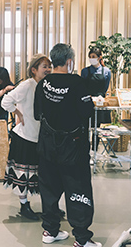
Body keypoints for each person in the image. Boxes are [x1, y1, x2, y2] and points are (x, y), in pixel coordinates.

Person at [34, 43, 101, 247]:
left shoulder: (42, 84)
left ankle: (50, 230)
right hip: (73, 147)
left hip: (47, 145)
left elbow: (37, 114)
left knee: (49, 188)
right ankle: (81, 238)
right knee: (77, 188)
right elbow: (87, 111)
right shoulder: (76, 83)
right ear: (70, 62)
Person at [2, 54, 52, 220]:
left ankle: (49, 207)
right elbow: (6, 101)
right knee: (23, 175)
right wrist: (17, 112)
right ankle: (24, 206)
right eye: (44, 66)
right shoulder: (27, 85)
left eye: (49, 66)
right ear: (34, 70)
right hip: (24, 137)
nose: (48, 69)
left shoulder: (46, 85)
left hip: (40, 137)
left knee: (39, 175)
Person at [80, 47, 111, 151]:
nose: (91, 59)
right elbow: (83, 88)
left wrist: (100, 97)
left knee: (96, 128)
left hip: (99, 103)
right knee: (86, 127)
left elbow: (106, 87)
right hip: (87, 102)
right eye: (90, 57)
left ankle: (94, 151)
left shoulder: (106, 71)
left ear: (99, 57)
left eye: (93, 57)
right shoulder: (85, 71)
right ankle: (85, 150)